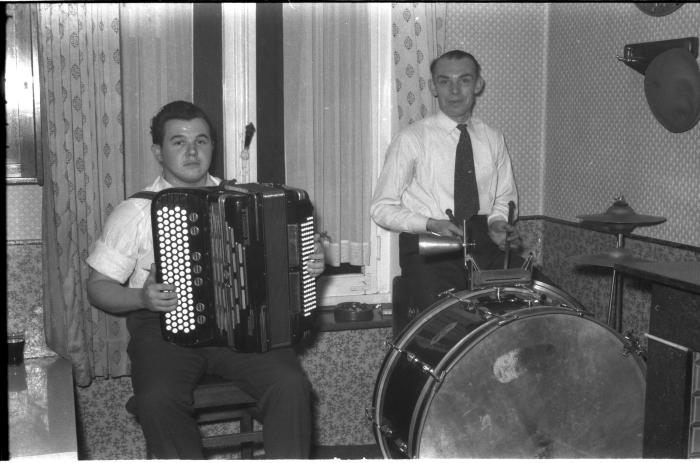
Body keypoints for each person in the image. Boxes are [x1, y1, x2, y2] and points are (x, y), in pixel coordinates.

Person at [86, 100, 325, 459]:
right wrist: (142, 298)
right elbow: (97, 286)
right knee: (157, 399)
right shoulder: (135, 212)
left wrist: (307, 264)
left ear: (213, 146)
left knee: (291, 385)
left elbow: (282, 271)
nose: (192, 151)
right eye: (178, 142)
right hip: (163, 329)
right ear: (158, 151)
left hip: (241, 328)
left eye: (201, 140)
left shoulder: (245, 201)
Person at [371, 50, 544, 334]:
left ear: (478, 84)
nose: (454, 90)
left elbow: (504, 197)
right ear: (433, 87)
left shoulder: (493, 138)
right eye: (444, 81)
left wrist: (498, 223)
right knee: (456, 328)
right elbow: (381, 208)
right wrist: (430, 224)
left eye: (464, 80)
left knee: (538, 306)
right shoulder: (411, 139)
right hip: (429, 248)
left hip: (483, 243)